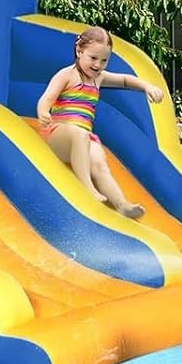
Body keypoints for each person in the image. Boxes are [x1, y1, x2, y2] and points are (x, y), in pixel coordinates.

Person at [36, 26, 164, 219]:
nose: (98, 65)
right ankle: (87, 187)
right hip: (57, 133)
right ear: (79, 51)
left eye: (104, 60)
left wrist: (147, 86)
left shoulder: (99, 78)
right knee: (79, 134)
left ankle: (121, 204)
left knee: (100, 164)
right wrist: (43, 111)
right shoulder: (67, 75)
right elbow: (46, 98)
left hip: (84, 137)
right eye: (93, 58)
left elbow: (125, 80)